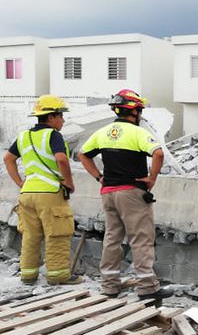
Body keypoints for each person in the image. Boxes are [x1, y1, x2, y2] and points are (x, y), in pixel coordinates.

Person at [77, 89, 172, 301]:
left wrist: (98, 176)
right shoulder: (138, 133)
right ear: (135, 111)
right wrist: (152, 178)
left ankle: (109, 286)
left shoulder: (103, 132)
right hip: (131, 193)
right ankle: (148, 287)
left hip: (108, 192)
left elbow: (82, 154)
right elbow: (158, 153)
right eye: (139, 111)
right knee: (141, 238)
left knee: (112, 238)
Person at [3, 95, 83, 285]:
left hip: (27, 193)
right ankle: (58, 275)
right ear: (50, 117)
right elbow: (62, 160)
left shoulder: (24, 136)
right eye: (61, 116)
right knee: (57, 233)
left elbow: (8, 158)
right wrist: (69, 182)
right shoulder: (53, 135)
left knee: (30, 235)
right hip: (49, 193)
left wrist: (20, 183)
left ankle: (28, 275)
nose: (63, 120)